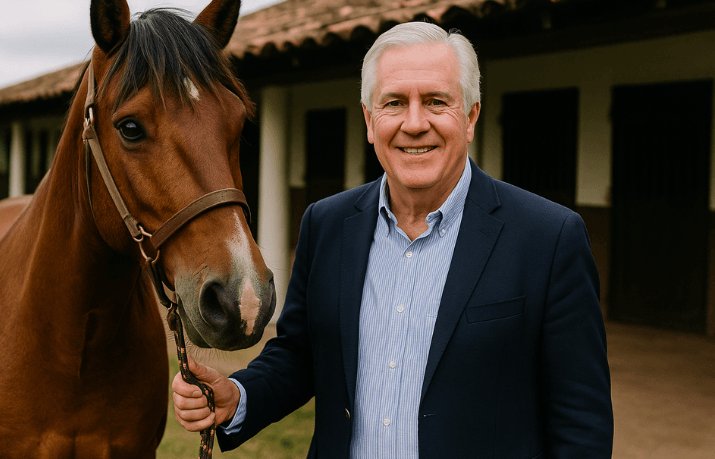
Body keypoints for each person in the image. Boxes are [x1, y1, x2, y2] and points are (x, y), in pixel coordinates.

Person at [173, 21, 614, 458]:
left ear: (470, 117)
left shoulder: (549, 238)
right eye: (394, 103)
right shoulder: (326, 224)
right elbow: (300, 355)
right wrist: (239, 396)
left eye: (436, 101)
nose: (414, 123)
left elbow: (581, 423)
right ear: (370, 120)